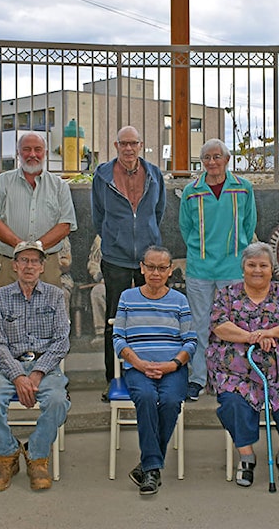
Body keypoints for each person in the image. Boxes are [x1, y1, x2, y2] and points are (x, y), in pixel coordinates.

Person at [207, 242, 279, 488]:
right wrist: (251, 337)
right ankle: (246, 456)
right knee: (232, 401)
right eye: (251, 265)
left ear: (271, 269)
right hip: (237, 371)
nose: (257, 270)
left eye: (263, 265)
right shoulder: (227, 294)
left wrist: (269, 332)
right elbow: (219, 325)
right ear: (242, 268)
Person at [0, 241, 70, 492]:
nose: (29, 266)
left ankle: (36, 456)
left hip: (46, 366)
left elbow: (62, 341)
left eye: (35, 261)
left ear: (42, 267)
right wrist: (18, 376)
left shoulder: (55, 295)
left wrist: (39, 372)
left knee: (58, 401)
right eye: (24, 261)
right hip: (10, 367)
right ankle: (6, 455)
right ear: (14, 266)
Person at [112, 246, 196, 495]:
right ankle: (152, 469)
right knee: (147, 397)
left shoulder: (180, 300)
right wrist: (138, 363)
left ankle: (149, 466)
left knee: (170, 400)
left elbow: (190, 341)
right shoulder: (127, 297)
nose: (155, 273)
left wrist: (172, 365)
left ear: (170, 270)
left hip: (172, 368)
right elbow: (118, 338)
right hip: (138, 367)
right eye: (150, 267)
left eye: (161, 268)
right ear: (142, 268)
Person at [91, 125, 166, 396]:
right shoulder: (102, 176)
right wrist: (115, 238)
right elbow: (98, 215)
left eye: (133, 143)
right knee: (116, 321)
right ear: (116, 145)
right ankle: (114, 378)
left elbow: (158, 212)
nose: (129, 148)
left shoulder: (155, 175)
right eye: (124, 143)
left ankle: (149, 375)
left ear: (140, 144)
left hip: (148, 260)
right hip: (116, 259)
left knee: (149, 319)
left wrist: (147, 241)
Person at [180, 139, 256, 402]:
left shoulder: (244, 188)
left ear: (227, 159)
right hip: (200, 269)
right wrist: (200, 251)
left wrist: (235, 251)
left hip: (232, 268)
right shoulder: (191, 191)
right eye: (206, 158)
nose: (212, 163)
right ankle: (198, 378)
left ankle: (231, 378)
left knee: (232, 326)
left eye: (217, 157)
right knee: (199, 325)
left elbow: (249, 224)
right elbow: (185, 228)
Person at [0, 132, 77, 290]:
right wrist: (21, 247)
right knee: (6, 313)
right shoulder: (2, 182)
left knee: (47, 314)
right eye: (26, 149)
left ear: (45, 152)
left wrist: (37, 248)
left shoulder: (59, 186)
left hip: (47, 266)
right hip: (9, 265)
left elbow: (65, 224)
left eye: (38, 149)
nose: (32, 154)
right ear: (18, 153)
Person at [87, 235, 107, 348]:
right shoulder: (101, 236)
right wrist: (100, 277)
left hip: (132, 283)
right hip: (106, 282)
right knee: (97, 291)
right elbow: (93, 264)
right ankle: (101, 333)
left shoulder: (137, 230)